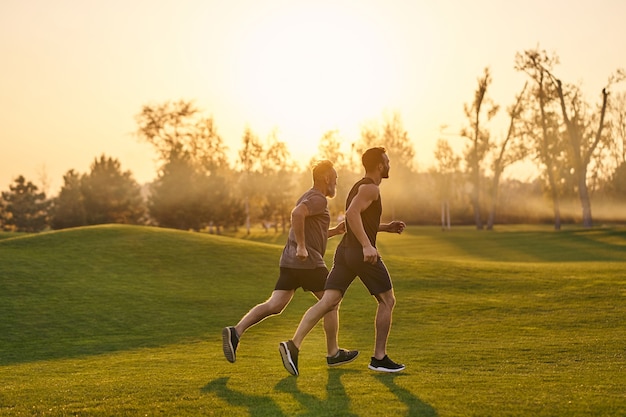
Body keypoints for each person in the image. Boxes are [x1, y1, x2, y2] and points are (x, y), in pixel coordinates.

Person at [279, 147, 406, 376]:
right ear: (379, 165)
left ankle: (293, 345)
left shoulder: (359, 187)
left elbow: (357, 220)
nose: (389, 165)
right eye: (387, 161)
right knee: (387, 300)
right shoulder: (371, 188)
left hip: (345, 251)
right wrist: (367, 246)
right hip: (360, 254)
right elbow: (351, 215)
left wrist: (385, 227)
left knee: (329, 301)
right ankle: (379, 358)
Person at [222, 160, 359, 368]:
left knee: (275, 305)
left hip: (290, 261)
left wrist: (333, 231)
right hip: (308, 261)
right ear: (327, 178)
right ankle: (331, 353)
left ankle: (236, 331)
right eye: (335, 179)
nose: (336, 184)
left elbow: (308, 228)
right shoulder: (318, 199)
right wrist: (302, 247)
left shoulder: (307, 196)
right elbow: (297, 215)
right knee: (331, 302)